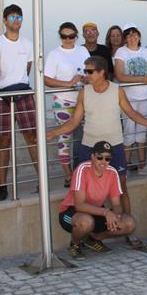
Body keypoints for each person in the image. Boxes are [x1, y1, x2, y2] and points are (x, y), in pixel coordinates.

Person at [47, 56, 147, 249]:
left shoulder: (116, 90)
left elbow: (130, 112)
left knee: (122, 188)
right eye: (85, 71)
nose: (85, 75)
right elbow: (74, 122)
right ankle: (86, 230)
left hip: (115, 146)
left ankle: (124, 229)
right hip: (89, 148)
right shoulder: (84, 93)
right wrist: (53, 133)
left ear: (102, 72)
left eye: (89, 71)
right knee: (84, 191)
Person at [0, 4, 39, 201]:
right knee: (4, 140)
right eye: (12, 17)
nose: (16, 20)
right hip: (2, 96)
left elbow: (27, 69)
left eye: (19, 17)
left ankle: (41, 179)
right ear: (4, 20)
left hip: (24, 94)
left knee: (32, 137)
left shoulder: (27, 44)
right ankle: (2, 185)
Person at [58, 141, 137, 260]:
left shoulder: (112, 172)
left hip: (96, 212)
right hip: (71, 212)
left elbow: (116, 204)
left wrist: (116, 217)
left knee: (129, 223)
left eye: (107, 159)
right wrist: (106, 213)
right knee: (86, 222)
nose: (103, 162)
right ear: (93, 156)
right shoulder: (82, 169)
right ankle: (74, 244)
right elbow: (79, 205)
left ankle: (94, 239)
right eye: (100, 157)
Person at [44, 22, 89, 186]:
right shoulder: (54, 54)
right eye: (64, 36)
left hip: (83, 99)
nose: (68, 39)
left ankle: (80, 171)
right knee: (65, 137)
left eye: (71, 36)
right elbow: (46, 79)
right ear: (60, 36)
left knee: (82, 138)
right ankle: (69, 175)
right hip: (63, 100)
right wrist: (68, 83)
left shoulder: (82, 50)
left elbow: (89, 71)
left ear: (76, 36)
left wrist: (85, 78)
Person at [113, 24, 147, 171]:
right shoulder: (121, 52)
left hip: (146, 96)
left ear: (139, 36)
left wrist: (146, 80)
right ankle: (126, 165)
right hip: (128, 98)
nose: (132, 37)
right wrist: (142, 79)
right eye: (128, 35)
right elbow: (119, 75)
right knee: (129, 129)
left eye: (135, 34)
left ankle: (142, 164)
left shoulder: (145, 52)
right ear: (125, 37)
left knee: (142, 129)